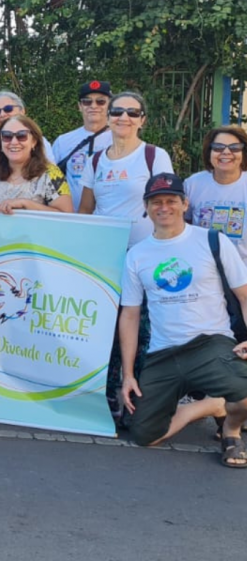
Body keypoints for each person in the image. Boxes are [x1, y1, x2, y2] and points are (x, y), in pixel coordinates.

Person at [118, 173, 247, 467]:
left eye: (171, 200)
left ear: (184, 203)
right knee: (144, 436)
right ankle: (210, 405)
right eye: (156, 202)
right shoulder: (137, 255)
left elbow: (244, 295)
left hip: (210, 344)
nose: (164, 207)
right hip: (163, 353)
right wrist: (128, 374)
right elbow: (130, 315)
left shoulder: (212, 240)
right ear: (146, 207)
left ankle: (231, 429)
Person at [79, 91, 174, 247]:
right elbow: (85, 211)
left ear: (142, 120)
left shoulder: (155, 156)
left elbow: (168, 206)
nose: (124, 118)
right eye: (117, 112)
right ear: (108, 118)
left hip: (143, 250)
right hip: (101, 249)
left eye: (133, 113)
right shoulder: (95, 161)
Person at [0, 115, 73, 215]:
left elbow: (66, 216)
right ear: (0, 143)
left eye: (21, 136)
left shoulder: (51, 174)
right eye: (7, 136)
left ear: (34, 142)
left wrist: (25, 204)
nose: (14, 142)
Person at [185, 125, 247, 263]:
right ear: (209, 152)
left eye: (235, 147)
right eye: (218, 147)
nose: (226, 152)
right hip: (203, 269)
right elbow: (183, 225)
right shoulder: (193, 184)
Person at [53, 81, 113, 211]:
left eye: (100, 101)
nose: (93, 106)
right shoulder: (63, 141)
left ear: (109, 106)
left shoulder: (119, 140)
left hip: (108, 219)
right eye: (87, 102)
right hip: (72, 218)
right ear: (79, 106)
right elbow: (50, 179)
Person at [0, 91, 56, 178]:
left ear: (22, 111)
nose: (2, 114)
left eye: (8, 109)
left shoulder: (39, 140)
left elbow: (52, 177)